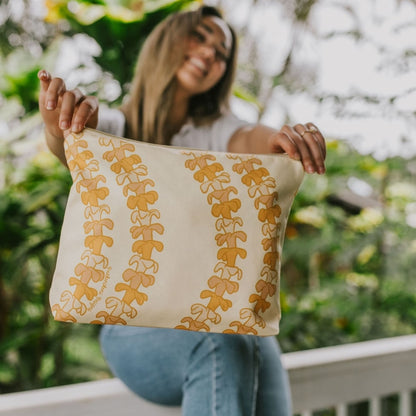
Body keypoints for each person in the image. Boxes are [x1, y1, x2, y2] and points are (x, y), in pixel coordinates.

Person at [38, 5, 326, 416]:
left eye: (222, 53)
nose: (210, 53)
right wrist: (57, 123)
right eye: (201, 37)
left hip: (231, 327)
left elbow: (263, 143)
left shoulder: (222, 133)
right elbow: (68, 143)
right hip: (133, 330)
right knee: (221, 339)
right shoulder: (116, 131)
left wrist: (291, 141)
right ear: (167, 40)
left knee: (246, 339)